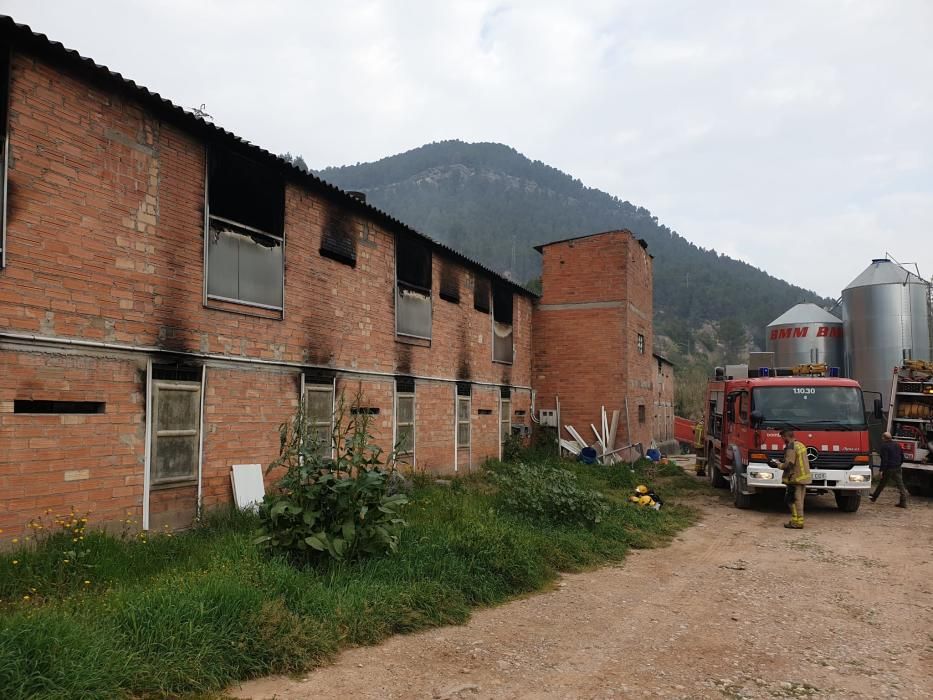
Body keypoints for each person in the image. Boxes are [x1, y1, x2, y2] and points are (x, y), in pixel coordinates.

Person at [770, 427, 812, 529]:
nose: (782, 440)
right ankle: (800, 521)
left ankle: (796, 522)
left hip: (794, 478)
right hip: (803, 478)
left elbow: (789, 464)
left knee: (792, 500)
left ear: (786, 436)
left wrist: (778, 464)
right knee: (800, 500)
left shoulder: (791, 446)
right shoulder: (800, 444)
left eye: (782, 437)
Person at [870, 432, 908, 508]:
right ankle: (903, 502)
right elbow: (902, 457)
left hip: (889, 468)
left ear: (884, 438)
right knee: (901, 485)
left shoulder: (884, 446)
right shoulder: (897, 445)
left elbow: (885, 460)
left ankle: (874, 497)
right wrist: (899, 464)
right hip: (897, 467)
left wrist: (881, 470)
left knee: (882, 483)